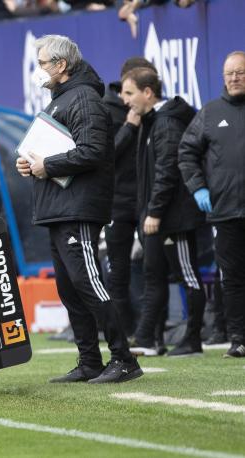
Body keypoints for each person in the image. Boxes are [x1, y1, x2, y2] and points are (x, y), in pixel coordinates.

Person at [16, 34, 141, 383]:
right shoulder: (62, 99)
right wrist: (31, 164)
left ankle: (124, 358)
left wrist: (49, 165)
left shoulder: (84, 98)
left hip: (79, 208)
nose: (39, 71)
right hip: (58, 207)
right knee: (70, 289)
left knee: (89, 283)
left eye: (43, 64)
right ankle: (90, 361)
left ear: (61, 65)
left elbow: (94, 151)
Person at [121, 67, 206, 357]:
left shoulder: (167, 123)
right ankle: (149, 339)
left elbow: (167, 171)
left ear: (148, 93)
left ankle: (193, 339)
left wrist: (154, 212)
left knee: (188, 276)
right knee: (153, 275)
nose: (124, 100)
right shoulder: (151, 121)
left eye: (129, 93)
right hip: (155, 216)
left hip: (174, 218)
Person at [178, 51, 245, 358]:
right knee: (231, 278)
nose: (234, 78)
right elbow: (186, 152)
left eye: (240, 72)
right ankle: (239, 338)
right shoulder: (210, 112)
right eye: (229, 73)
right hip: (226, 211)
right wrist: (198, 188)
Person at [102, 57, 157, 338]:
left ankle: (151, 332)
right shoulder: (107, 109)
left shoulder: (157, 112)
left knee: (153, 268)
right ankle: (121, 334)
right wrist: (130, 126)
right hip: (119, 201)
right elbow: (107, 154)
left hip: (149, 200)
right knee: (118, 272)